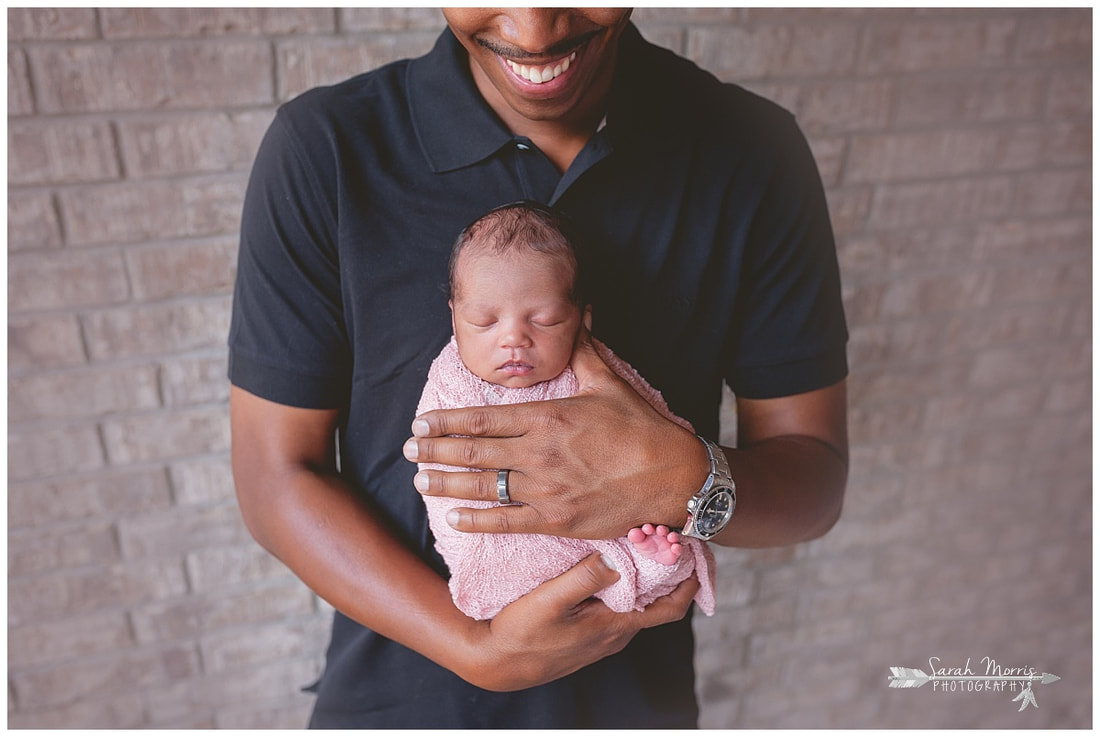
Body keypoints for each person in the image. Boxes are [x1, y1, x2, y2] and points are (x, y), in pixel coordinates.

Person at [229, 8, 848, 729]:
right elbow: (274, 478)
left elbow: (816, 481)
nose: (534, 27)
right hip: (395, 706)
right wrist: (477, 646)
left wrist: (688, 481)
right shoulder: (326, 149)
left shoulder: (752, 152)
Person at [417, 201, 717, 620]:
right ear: (454, 319)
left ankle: (646, 565)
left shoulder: (600, 374)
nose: (513, 339)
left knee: (649, 543)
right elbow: (437, 468)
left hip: (598, 540)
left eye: (545, 320)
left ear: (582, 321)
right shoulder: (451, 381)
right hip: (498, 545)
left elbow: (661, 432)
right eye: (485, 322)